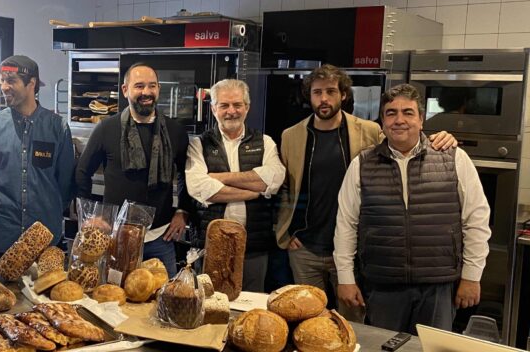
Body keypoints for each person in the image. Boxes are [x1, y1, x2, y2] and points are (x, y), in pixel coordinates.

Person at [276, 65, 456, 321]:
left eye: (330, 91)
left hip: (355, 250)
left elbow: (405, 138)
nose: (323, 99)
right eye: (317, 93)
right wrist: (285, 231)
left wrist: (444, 138)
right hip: (305, 248)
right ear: (310, 96)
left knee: (354, 321)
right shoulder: (291, 135)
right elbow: (285, 187)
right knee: (307, 322)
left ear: (344, 95)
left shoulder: (369, 131)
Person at [334, 84, 491, 334]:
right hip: (382, 286)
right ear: (382, 121)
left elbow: (476, 220)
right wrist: (345, 278)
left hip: (438, 286)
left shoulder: (453, 158)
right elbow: (346, 225)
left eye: (407, 112)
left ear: (421, 119)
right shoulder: (362, 164)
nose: (399, 120)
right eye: (391, 113)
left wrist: (472, 275)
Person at [76, 63, 192, 278]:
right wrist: (91, 216)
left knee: (164, 303)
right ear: (125, 90)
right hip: (116, 238)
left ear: (158, 89)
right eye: (139, 86)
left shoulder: (175, 132)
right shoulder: (106, 129)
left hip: (161, 238)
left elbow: (186, 175)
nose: (146, 92)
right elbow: (82, 172)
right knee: (112, 301)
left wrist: (182, 211)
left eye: (152, 86)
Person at [0, 55, 75, 271]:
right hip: (0, 234)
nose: (4, 87)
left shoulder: (57, 127)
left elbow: (65, 183)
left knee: (46, 302)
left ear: (32, 84)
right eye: (2, 80)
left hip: (45, 238)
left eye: (11, 81)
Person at [185, 79, 285, 292]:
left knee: (250, 308)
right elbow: (199, 188)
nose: (232, 111)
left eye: (237, 105)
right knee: (209, 306)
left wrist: (221, 177)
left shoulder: (265, 142)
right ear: (213, 109)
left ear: (247, 108)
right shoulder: (199, 144)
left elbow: (273, 180)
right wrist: (253, 192)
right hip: (211, 247)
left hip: (254, 248)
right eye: (224, 105)